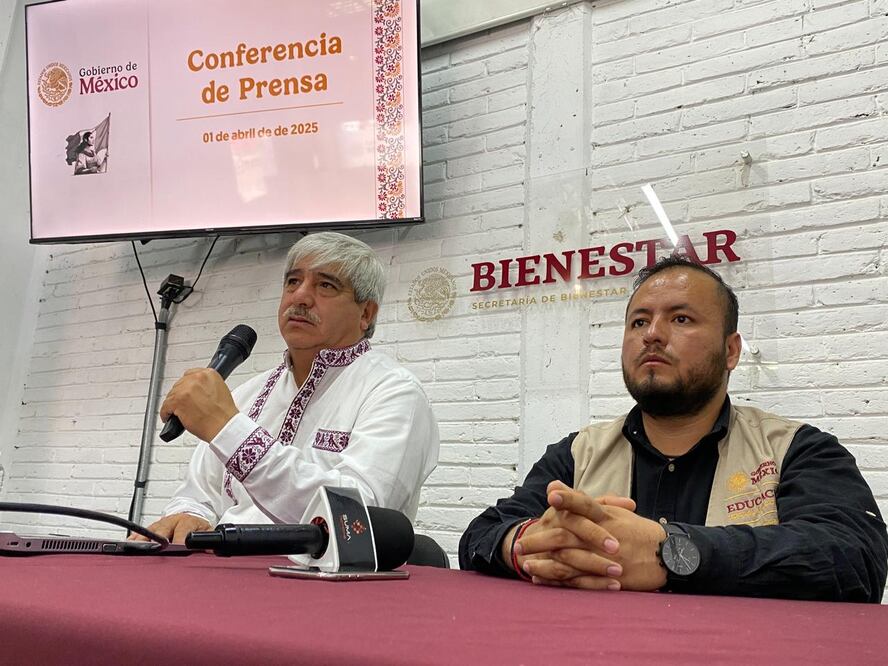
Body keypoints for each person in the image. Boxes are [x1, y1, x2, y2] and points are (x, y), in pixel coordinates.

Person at [459, 255, 888, 602]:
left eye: (680, 319)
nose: (652, 335)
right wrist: (528, 544)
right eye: (639, 322)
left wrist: (671, 552)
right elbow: (480, 536)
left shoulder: (796, 449)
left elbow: (856, 559)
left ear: (731, 350)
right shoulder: (578, 454)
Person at [135, 232, 439, 543]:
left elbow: (355, 521)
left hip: (332, 584)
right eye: (293, 282)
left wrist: (229, 431)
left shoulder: (394, 393)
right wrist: (191, 513)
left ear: (366, 314)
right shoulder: (246, 394)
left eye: (326, 285)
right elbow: (199, 494)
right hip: (228, 572)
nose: (300, 297)